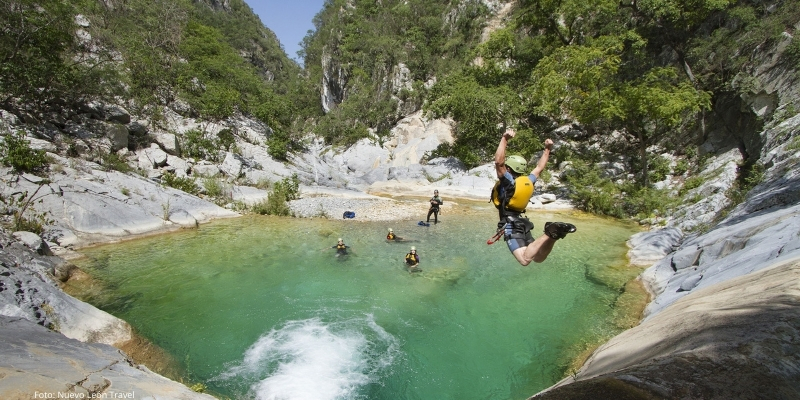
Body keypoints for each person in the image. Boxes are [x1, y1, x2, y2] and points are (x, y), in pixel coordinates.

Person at [491, 128, 576, 266]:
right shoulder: (528, 180)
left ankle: (550, 231)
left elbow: (498, 162)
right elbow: (539, 168)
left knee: (525, 260)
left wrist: (504, 139)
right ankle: (554, 234)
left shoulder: (507, 182)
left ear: (508, 168)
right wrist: (547, 149)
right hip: (522, 223)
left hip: (511, 225)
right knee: (537, 258)